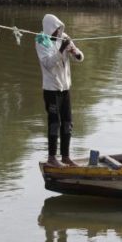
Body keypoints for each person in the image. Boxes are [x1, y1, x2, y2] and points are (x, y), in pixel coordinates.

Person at [36, 14, 84, 167]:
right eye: (55, 29)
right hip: (51, 89)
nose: (58, 31)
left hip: (65, 88)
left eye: (59, 28)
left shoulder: (64, 37)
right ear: (49, 28)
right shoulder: (41, 40)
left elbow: (79, 56)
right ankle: (52, 158)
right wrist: (61, 49)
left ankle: (65, 157)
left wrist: (75, 53)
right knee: (54, 123)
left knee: (68, 122)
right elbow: (48, 64)